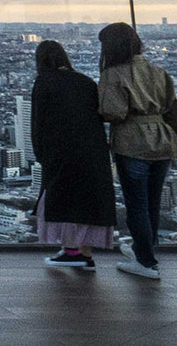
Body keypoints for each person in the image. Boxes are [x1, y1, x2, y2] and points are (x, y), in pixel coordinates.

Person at [98, 22, 177, 281]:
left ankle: (146, 262)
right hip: (162, 141)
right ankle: (143, 251)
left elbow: (114, 112)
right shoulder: (158, 71)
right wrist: (174, 138)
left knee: (137, 206)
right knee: (152, 203)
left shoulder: (114, 74)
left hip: (133, 142)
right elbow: (172, 108)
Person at [29, 40, 115, 271]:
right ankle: (85, 255)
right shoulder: (85, 81)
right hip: (93, 151)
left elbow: (38, 123)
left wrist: (41, 154)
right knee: (87, 203)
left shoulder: (44, 82)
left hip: (61, 151)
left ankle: (71, 252)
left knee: (63, 202)